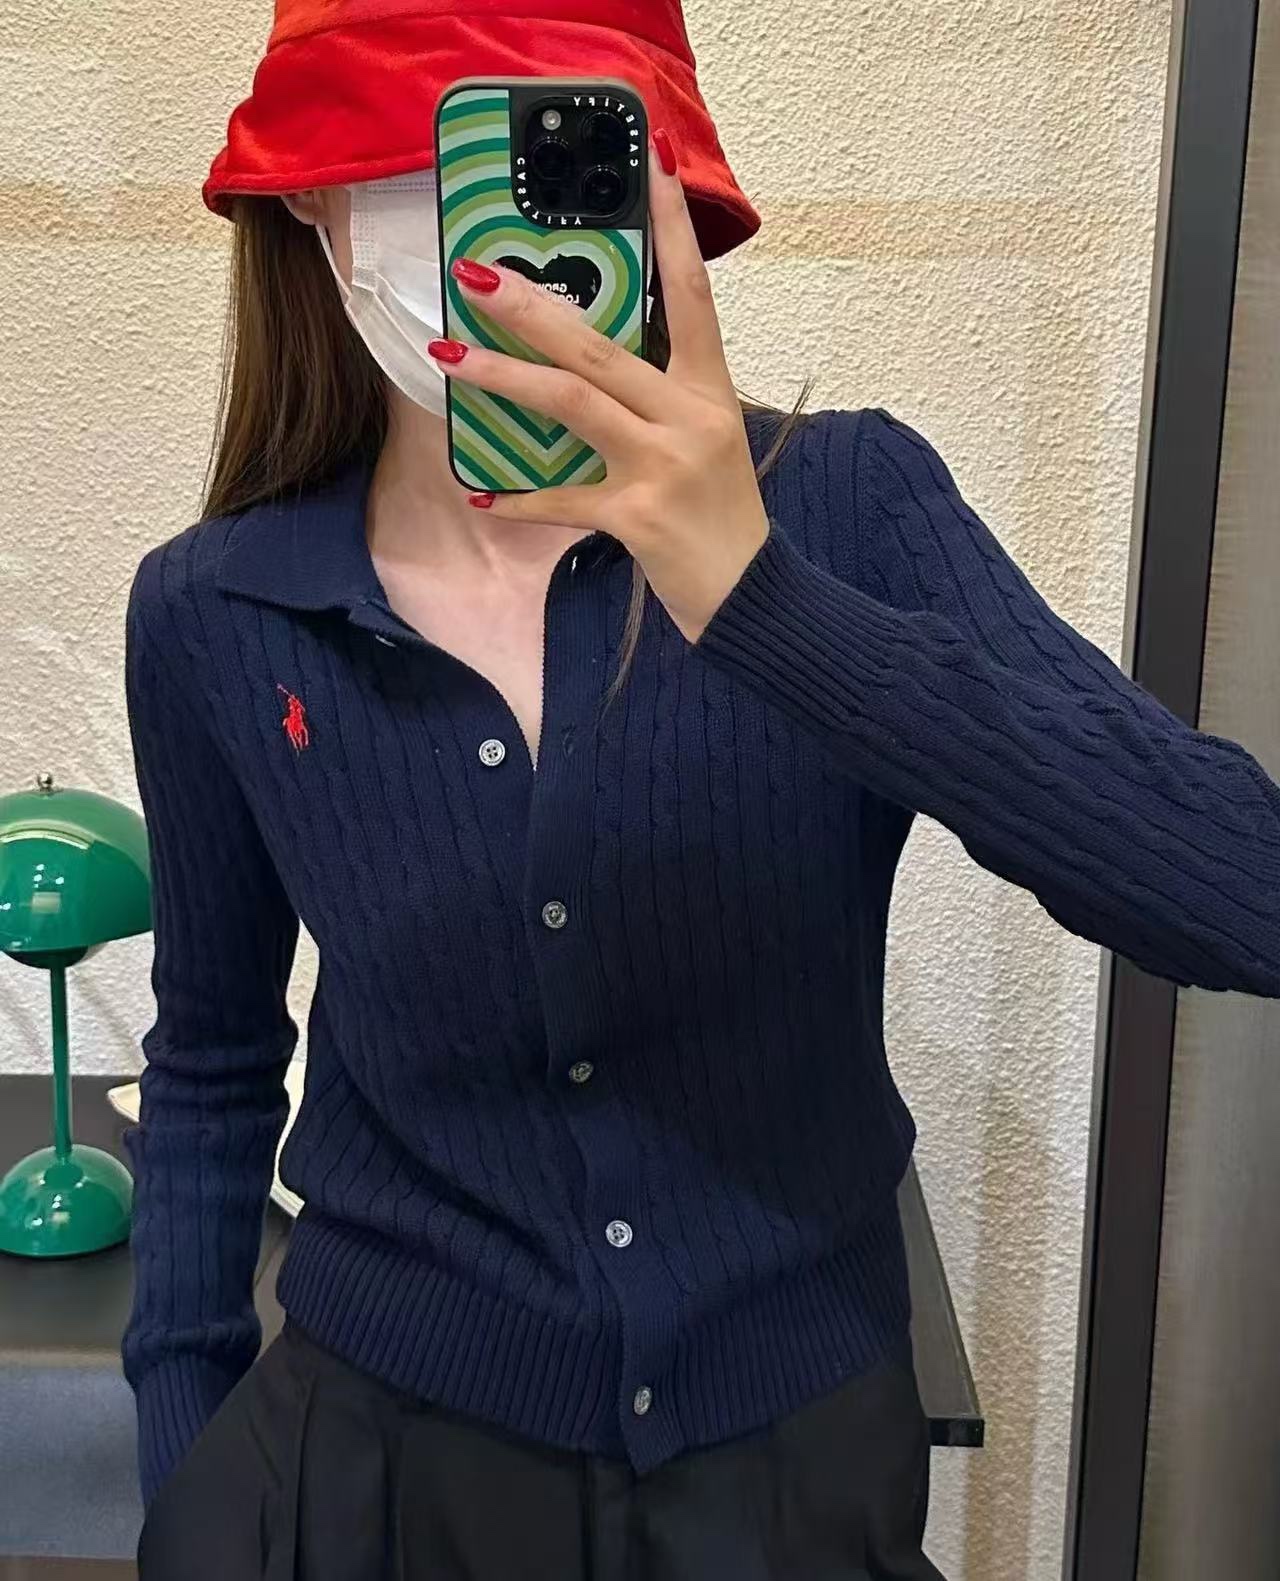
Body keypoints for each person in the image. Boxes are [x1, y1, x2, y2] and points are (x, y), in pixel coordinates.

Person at [119, 0, 1280, 1576]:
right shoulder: (214, 610)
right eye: (426, 149)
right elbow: (209, 1065)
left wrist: (760, 598)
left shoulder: (851, 505)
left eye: (554, 153)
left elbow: (1243, 886)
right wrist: (181, 1477)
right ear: (314, 201)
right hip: (372, 1468)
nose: (496, 225)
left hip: (793, 1472)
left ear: (649, 185)